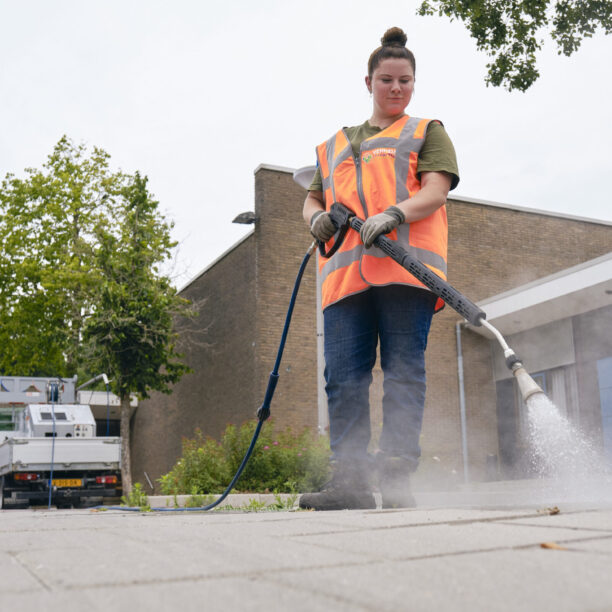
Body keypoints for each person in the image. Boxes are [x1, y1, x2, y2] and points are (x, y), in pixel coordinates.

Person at [299, 27, 459, 511]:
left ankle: (395, 479)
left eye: (405, 81)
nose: (396, 88)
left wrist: (394, 214)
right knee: (343, 380)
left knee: (403, 374)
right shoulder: (334, 146)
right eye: (386, 79)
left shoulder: (427, 131)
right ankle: (348, 483)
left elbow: (435, 189)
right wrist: (318, 219)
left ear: (414, 83)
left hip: (405, 274)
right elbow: (312, 198)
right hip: (346, 279)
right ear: (367, 81)